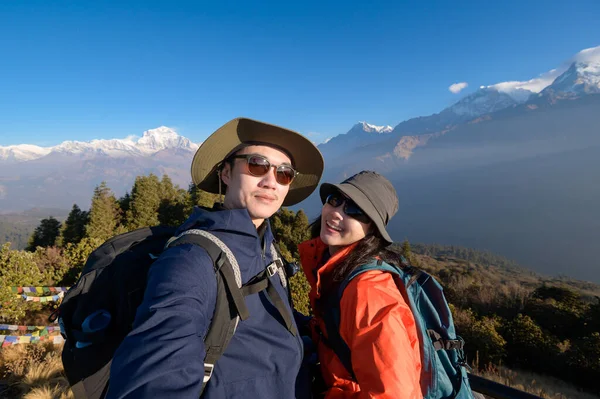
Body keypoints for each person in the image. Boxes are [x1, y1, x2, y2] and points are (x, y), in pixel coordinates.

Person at [106, 117, 324, 399]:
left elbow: (266, 313)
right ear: (226, 174)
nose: (271, 181)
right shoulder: (191, 260)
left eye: (284, 173)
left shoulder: (265, 246)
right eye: (257, 165)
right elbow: (156, 376)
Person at [298, 171, 423, 399]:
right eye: (335, 199)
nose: (336, 213)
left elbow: (395, 394)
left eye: (355, 210)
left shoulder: (370, 293)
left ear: (372, 230)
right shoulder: (335, 269)